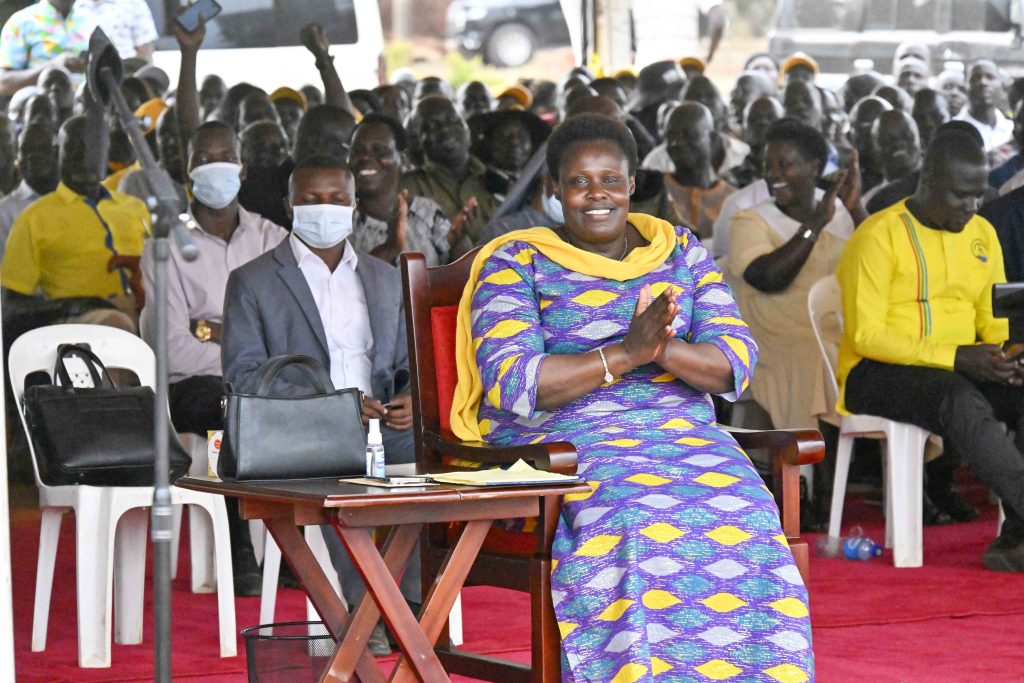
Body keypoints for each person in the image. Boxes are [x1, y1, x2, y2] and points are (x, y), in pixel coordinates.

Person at [449, 113, 812, 681]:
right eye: (579, 181)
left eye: (611, 180)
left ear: (632, 182)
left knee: (746, 509)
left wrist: (662, 350)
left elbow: (735, 361)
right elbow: (516, 382)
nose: (598, 195)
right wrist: (625, 354)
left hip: (685, 440)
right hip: (564, 446)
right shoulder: (514, 260)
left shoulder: (679, 251)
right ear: (553, 186)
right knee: (635, 514)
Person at [222, 154, 419, 655]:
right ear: (289, 207)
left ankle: (411, 606)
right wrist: (334, 407)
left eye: (336, 199)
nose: (324, 209)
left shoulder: (380, 276)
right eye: (311, 200)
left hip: (382, 429)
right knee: (340, 477)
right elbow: (245, 379)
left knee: (429, 470)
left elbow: (402, 363)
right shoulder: (254, 281)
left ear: (354, 206)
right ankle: (375, 617)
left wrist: (409, 399)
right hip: (305, 432)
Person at [836, 129, 1024, 561]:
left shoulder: (982, 234)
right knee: (960, 399)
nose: (972, 207)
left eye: (978, 196)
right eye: (960, 195)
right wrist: (957, 357)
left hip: (959, 367)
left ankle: (1015, 540)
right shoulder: (877, 236)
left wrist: (1005, 356)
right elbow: (867, 335)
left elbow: (990, 316)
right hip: (875, 372)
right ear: (928, 178)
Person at [140, 120, 287, 596]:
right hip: (192, 390)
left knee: (294, 402)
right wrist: (245, 349)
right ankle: (242, 545)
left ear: (242, 170)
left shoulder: (271, 238)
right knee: (228, 408)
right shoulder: (164, 248)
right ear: (187, 173)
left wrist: (211, 330)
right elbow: (171, 346)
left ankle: (292, 545)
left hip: (259, 380)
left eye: (224, 157)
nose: (215, 168)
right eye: (204, 159)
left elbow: (287, 333)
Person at [727, 119, 859, 430]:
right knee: (817, 355)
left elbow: (872, 257)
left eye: (785, 165)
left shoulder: (837, 211)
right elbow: (767, 277)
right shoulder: (749, 219)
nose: (773, 175)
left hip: (834, 329)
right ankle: (814, 473)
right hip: (775, 336)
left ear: (814, 167)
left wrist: (856, 206)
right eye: (768, 165)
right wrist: (815, 223)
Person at [1, 115, 148, 332]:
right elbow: (11, 307)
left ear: (106, 153)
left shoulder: (135, 208)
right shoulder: (34, 218)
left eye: (93, 150)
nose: (84, 158)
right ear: (58, 154)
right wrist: (79, 304)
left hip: (142, 307)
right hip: (78, 319)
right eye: (74, 148)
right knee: (116, 325)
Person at [348, 113, 473, 266]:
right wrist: (390, 248)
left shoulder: (425, 211)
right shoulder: (341, 221)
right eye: (358, 151)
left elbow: (459, 268)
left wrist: (459, 242)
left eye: (380, 151)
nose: (366, 158)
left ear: (403, 159)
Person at [402, 96, 498, 243]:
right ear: (418, 141)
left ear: (467, 128)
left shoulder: (496, 181)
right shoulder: (409, 189)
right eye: (432, 126)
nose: (446, 129)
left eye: (452, 120)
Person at [661, 102, 736, 240]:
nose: (677, 143)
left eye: (689, 135)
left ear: (712, 139)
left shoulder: (733, 201)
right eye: (671, 136)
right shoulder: (655, 192)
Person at [0, 0, 92, 97]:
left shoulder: (90, 21)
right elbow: (3, 83)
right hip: (40, 109)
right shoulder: (22, 22)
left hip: (85, 109)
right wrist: (52, 67)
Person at [0, 122, 57, 257]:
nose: (34, 156)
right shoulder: (6, 212)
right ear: (17, 156)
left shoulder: (74, 202)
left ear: (56, 153)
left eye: (43, 149)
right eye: (27, 149)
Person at [863, 110, 922, 212]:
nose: (898, 144)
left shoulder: (942, 190)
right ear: (874, 151)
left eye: (906, 136)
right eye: (888, 140)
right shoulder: (869, 205)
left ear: (920, 141)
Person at [956, 59, 1014, 151]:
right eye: (975, 78)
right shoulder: (953, 131)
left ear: (1002, 86)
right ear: (965, 88)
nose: (983, 82)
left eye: (990, 77)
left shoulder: (1012, 130)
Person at [76, 0, 157, 60]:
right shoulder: (78, 7)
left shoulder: (133, 3)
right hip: (87, 77)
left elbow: (145, 51)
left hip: (126, 74)